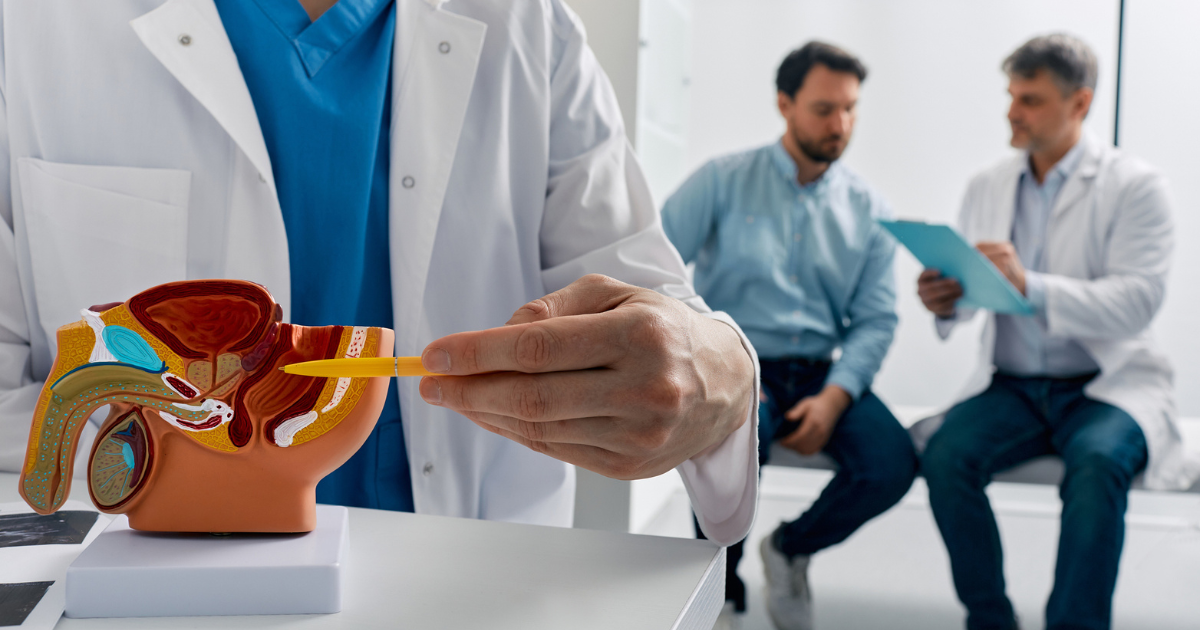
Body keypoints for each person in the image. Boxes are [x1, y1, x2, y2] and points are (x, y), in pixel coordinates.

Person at [0, 0, 760, 546]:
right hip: (133, 595)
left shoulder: (532, 25)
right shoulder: (30, 28)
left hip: (469, 580)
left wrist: (718, 371)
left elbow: (652, 310)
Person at [917, 33, 1196, 630]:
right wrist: (945, 301)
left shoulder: (1137, 187)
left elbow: (1138, 302)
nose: (1013, 112)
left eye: (1032, 99)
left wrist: (1032, 286)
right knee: (945, 456)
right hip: (1014, 386)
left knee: (1096, 468)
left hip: (1105, 388)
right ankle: (989, 619)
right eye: (1012, 95)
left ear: (1081, 104)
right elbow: (970, 294)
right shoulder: (987, 184)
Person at [663, 41, 917, 630]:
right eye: (826, 109)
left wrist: (835, 397)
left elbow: (877, 319)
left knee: (892, 463)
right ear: (785, 103)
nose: (842, 124)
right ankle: (719, 592)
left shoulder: (868, 209)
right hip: (740, 360)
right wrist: (697, 345)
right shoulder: (723, 181)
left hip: (824, 371)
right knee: (727, 446)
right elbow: (658, 265)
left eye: (851, 109)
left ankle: (792, 547)